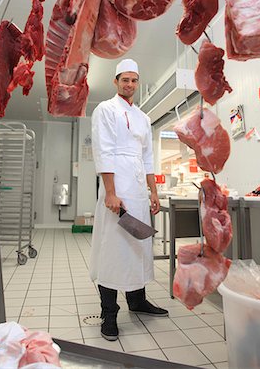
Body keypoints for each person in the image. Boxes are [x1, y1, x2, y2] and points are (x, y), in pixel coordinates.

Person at [89, 58, 168, 342]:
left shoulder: (144, 118)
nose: (130, 84)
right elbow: (103, 151)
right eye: (125, 79)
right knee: (113, 249)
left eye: (134, 80)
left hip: (137, 188)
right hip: (117, 187)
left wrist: (154, 191)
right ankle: (108, 313)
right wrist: (110, 191)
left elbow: (147, 158)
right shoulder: (105, 110)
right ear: (116, 81)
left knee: (137, 245)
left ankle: (138, 301)